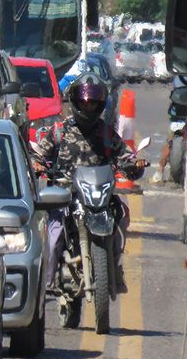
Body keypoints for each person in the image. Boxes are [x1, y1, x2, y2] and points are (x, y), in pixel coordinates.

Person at [31, 72, 148, 293]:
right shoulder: (59, 131)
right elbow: (39, 156)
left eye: (93, 103)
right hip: (65, 194)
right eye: (84, 103)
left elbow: (125, 158)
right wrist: (37, 165)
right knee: (54, 234)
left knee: (122, 213)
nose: (88, 108)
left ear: (101, 104)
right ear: (75, 102)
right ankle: (46, 283)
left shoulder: (106, 133)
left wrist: (135, 165)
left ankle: (115, 267)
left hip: (99, 195)